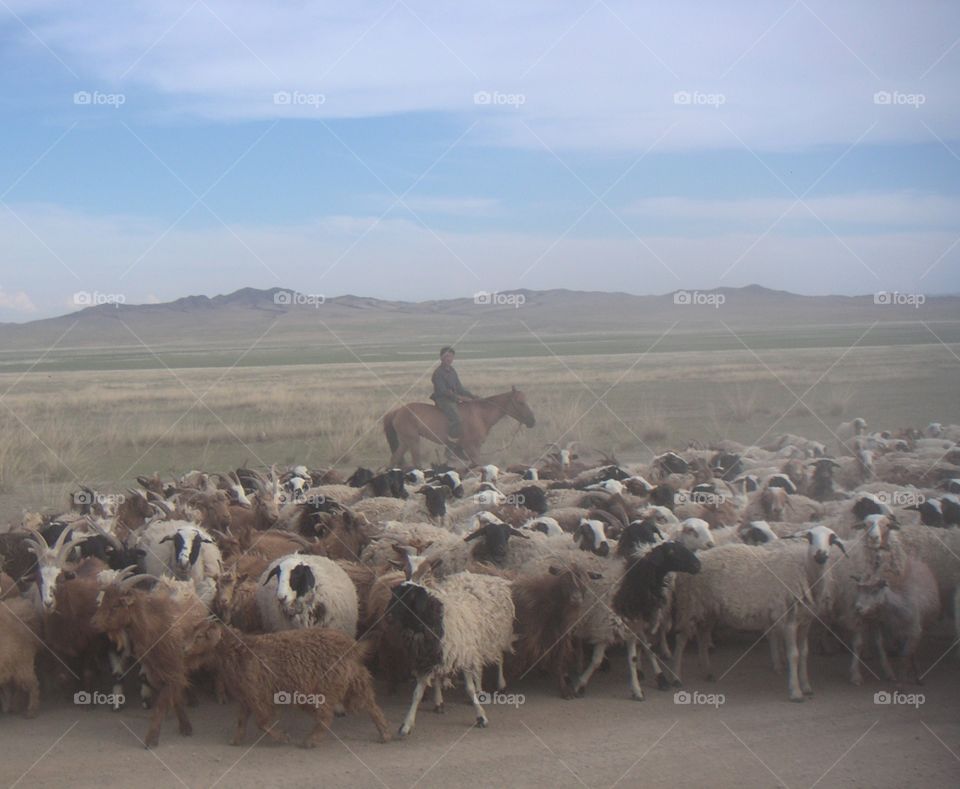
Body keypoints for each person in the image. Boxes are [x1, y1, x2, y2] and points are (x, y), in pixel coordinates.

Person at [430, 346, 476, 446]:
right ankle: (452, 441)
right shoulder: (438, 373)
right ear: (441, 357)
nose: (449, 359)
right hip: (443, 400)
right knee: (457, 419)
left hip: (453, 398)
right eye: (446, 356)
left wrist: (473, 396)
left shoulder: (452, 371)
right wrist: (461, 398)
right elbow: (443, 391)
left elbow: (460, 388)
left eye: (451, 356)